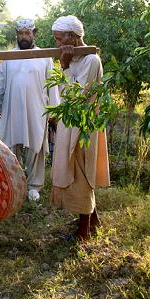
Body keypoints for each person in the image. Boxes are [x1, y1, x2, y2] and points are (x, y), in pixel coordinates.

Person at [50, 15, 110, 241]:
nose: (57, 45)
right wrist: (66, 64)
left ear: (73, 37)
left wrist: (64, 66)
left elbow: (74, 96)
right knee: (74, 169)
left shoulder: (91, 60)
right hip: (71, 123)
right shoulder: (74, 57)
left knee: (83, 173)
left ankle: (83, 233)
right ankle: (93, 221)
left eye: (59, 39)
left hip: (84, 126)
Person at [0, 18, 60, 201]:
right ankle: (13, 183)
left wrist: (53, 112)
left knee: (35, 145)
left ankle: (34, 186)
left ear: (34, 34)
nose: (24, 37)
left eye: (27, 33)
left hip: (36, 110)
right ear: (17, 34)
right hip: (11, 110)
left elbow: (52, 86)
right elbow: (0, 83)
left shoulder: (45, 56)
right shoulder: (8, 57)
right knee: (10, 145)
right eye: (21, 33)